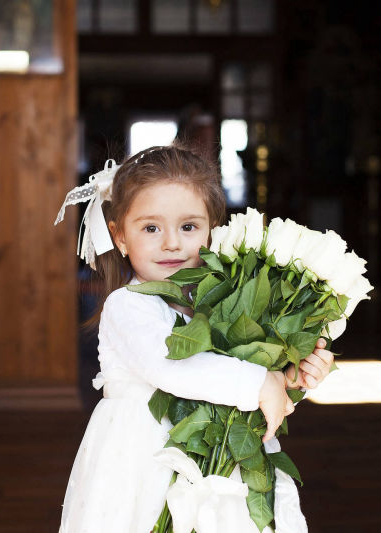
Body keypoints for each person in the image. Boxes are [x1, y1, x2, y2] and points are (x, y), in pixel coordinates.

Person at [54, 145, 336, 533]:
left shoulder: (219, 303)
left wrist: (288, 375)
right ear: (119, 236)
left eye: (188, 227)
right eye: (151, 228)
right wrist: (258, 383)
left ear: (211, 230)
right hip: (145, 466)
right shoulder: (128, 305)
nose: (172, 243)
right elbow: (170, 366)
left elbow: (235, 379)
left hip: (221, 470)